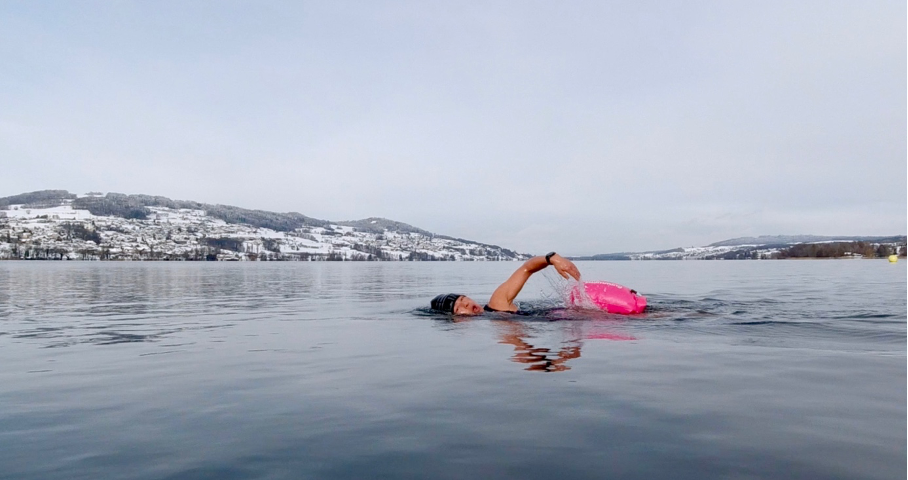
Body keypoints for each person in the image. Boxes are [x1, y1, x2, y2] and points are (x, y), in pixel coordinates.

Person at [430, 252, 581, 315]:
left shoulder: (497, 302)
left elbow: (526, 268)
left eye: (463, 299)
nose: (466, 305)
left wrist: (552, 258)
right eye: (458, 308)